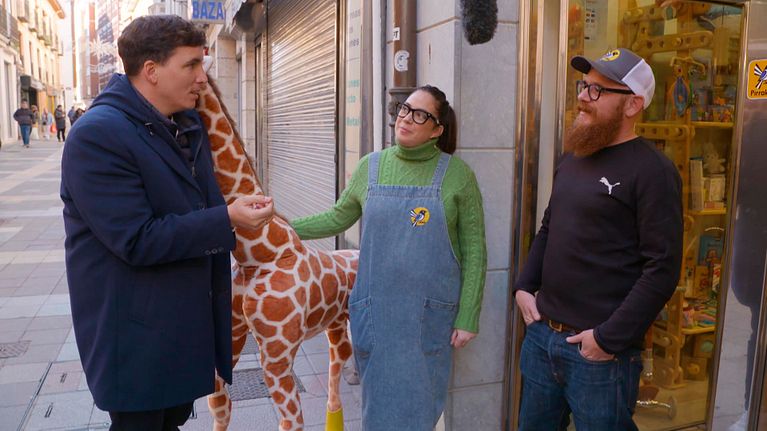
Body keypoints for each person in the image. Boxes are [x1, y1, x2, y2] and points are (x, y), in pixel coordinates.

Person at [60, 14, 275, 431]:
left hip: (178, 329)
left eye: (202, 64)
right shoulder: (97, 136)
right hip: (135, 340)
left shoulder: (183, 124)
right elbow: (136, 239)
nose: (203, 78)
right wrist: (227, 218)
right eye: (191, 65)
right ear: (151, 71)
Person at [291, 85, 487, 429]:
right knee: (377, 413)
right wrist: (280, 226)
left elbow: (475, 252)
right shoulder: (370, 167)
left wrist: (468, 315)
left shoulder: (458, 176)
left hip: (426, 320)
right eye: (405, 109)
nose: (406, 118)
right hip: (376, 316)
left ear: (437, 130)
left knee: (420, 412)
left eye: (420, 115)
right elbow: (336, 218)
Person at [513, 48, 683, 430]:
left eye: (597, 90)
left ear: (633, 104)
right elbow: (549, 227)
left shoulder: (654, 171)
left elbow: (662, 269)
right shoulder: (573, 158)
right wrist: (524, 287)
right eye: (584, 86)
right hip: (542, 340)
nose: (583, 97)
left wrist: (607, 340)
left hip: (600, 357)